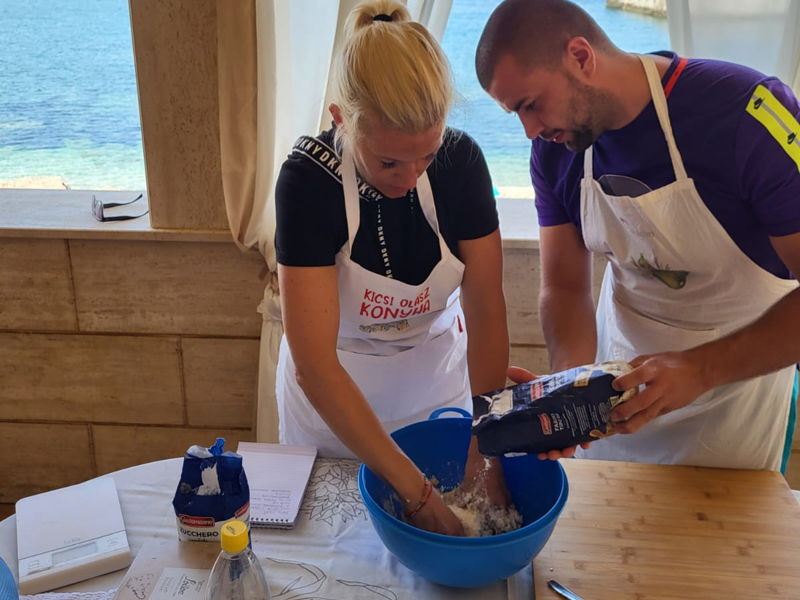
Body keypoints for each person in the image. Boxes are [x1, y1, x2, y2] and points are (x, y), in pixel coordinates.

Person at [475, 0, 800, 471]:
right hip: (618, 390)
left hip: (738, 396)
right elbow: (565, 288)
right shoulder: (557, 150)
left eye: (531, 105)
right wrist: (570, 388)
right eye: (515, 114)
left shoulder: (748, 112)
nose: (530, 131)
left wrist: (700, 369)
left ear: (581, 57)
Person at [275, 0, 510, 535]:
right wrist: (420, 496)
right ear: (341, 119)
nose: (410, 177)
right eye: (388, 162)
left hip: (435, 389)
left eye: (426, 155)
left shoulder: (462, 163)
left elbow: (486, 312)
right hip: (335, 404)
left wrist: (485, 443)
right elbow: (315, 367)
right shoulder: (308, 182)